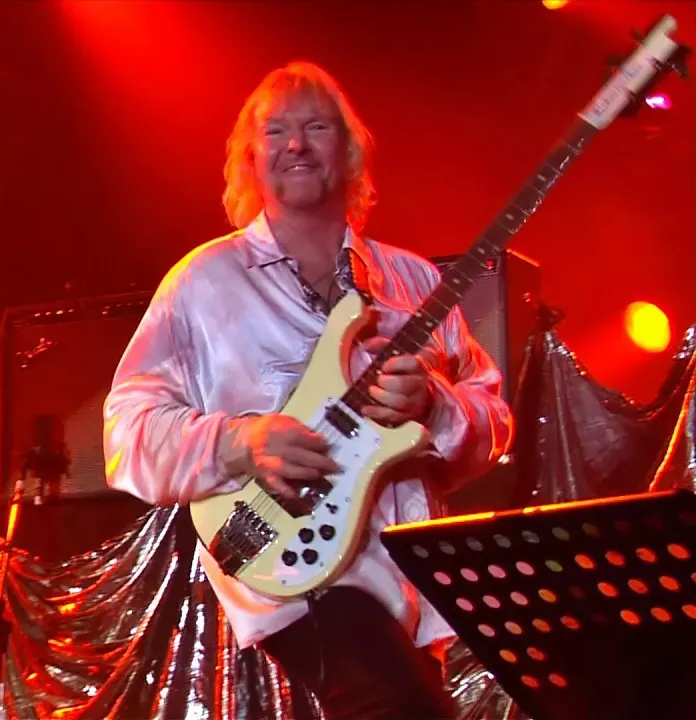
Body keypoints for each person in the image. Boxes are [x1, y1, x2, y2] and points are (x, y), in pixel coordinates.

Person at [102, 61, 513, 719]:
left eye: (317, 127)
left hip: (409, 587)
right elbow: (126, 431)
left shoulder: (412, 282)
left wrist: (436, 407)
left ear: (349, 152)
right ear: (249, 159)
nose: (296, 144)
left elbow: (493, 420)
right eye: (276, 131)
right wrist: (240, 442)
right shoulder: (203, 284)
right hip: (295, 576)